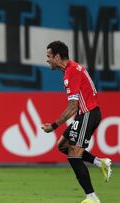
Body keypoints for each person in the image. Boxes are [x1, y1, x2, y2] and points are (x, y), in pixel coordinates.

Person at [42, 41, 112, 203]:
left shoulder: (70, 73)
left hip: (87, 114)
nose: (47, 60)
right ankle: (99, 162)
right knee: (62, 145)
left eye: (49, 56)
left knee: (74, 154)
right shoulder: (74, 67)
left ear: (57, 57)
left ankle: (91, 197)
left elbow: (72, 107)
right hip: (87, 114)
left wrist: (53, 126)